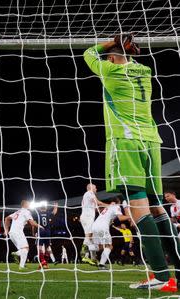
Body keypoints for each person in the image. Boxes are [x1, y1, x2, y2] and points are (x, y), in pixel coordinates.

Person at [84, 33, 179, 291]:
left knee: (139, 210)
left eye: (110, 56)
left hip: (125, 142)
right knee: (158, 208)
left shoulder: (111, 71)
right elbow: (123, 57)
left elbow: (88, 54)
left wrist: (108, 44)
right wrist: (121, 47)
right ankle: (178, 273)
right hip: (151, 141)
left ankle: (160, 275)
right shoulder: (145, 70)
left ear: (113, 58)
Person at [92, 198, 130, 270]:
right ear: (119, 202)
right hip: (102, 227)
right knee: (109, 246)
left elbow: (99, 209)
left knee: (100, 247)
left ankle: (88, 248)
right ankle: (101, 265)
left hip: (94, 226)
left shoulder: (108, 207)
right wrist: (130, 215)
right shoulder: (116, 206)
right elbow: (121, 218)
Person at [4, 200, 42, 270]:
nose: (30, 205)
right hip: (18, 232)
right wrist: (40, 226)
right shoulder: (26, 211)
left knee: (23, 249)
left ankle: (21, 265)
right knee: (25, 248)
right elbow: (32, 223)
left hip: (11, 233)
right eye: (29, 204)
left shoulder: (17, 212)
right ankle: (16, 256)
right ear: (25, 204)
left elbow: (6, 219)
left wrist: (6, 230)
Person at [80, 183, 105, 265]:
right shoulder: (89, 193)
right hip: (87, 218)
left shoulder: (87, 196)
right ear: (91, 188)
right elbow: (98, 202)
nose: (96, 189)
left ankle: (93, 258)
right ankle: (84, 255)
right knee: (89, 235)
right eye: (95, 188)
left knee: (92, 237)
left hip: (86, 217)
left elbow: (95, 207)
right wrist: (109, 206)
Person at [35, 202, 58, 267]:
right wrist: (55, 206)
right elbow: (54, 213)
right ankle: (49, 261)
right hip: (47, 232)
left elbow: (34, 223)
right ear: (46, 208)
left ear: (40, 208)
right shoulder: (48, 213)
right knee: (48, 247)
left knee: (39, 247)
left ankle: (43, 261)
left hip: (41, 231)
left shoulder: (38, 214)